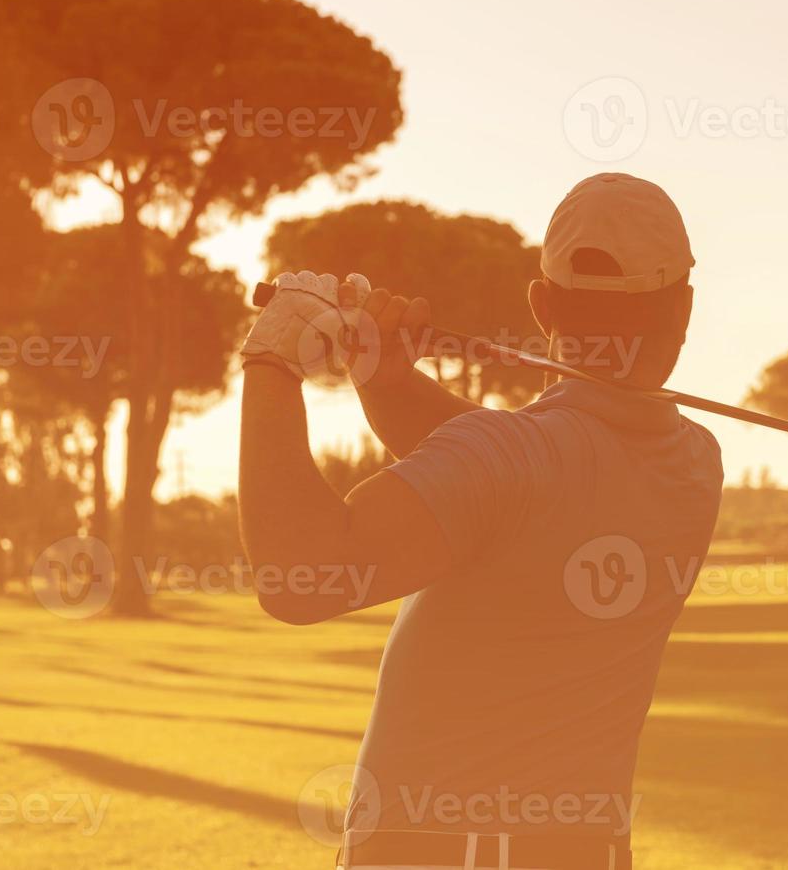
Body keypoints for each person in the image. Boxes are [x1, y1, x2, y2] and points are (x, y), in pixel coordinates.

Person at [237, 173, 723, 869]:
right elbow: (505, 479)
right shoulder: (693, 466)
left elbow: (295, 579)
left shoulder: (510, 458)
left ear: (539, 304)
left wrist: (272, 358)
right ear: (684, 311)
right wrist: (389, 381)